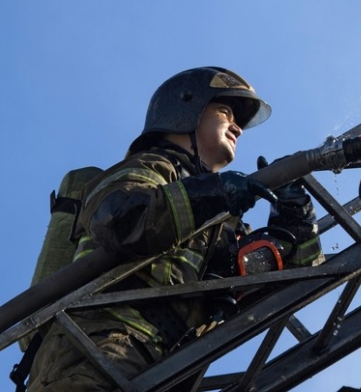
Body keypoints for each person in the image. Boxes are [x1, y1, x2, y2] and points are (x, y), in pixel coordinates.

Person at [27, 67, 324, 392]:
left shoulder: (221, 223)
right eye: (226, 112)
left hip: (173, 367)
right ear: (186, 107)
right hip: (99, 351)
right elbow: (120, 221)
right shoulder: (152, 167)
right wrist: (213, 192)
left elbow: (292, 281)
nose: (238, 126)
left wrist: (294, 218)